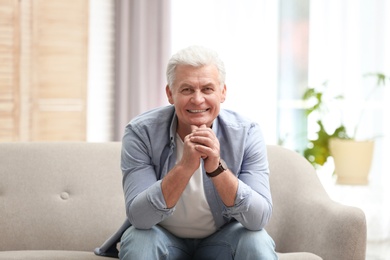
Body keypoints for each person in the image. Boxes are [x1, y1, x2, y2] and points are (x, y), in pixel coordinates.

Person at [119, 45, 277, 260]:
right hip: (161, 237)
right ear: (170, 93)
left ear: (222, 92)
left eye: (207, 89)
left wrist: (216, 168)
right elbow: (140, 217)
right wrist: (184, 167)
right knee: (139, 240)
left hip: (223, 239)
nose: (197, 99)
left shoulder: (246, 133)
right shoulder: (141, 132)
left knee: (256, 241)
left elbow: (257, 219)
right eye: (186, 89)